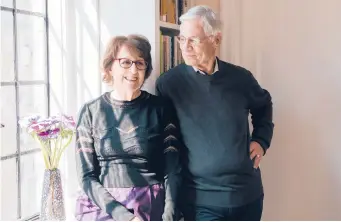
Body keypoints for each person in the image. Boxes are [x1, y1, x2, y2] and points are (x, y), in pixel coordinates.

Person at [156, 5, 274, 221]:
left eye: (193, 40)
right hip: (201, 201)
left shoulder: (241, 78)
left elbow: (263, 104)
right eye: (182, 39)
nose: (185, 47)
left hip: (248, 195)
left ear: (216, 40)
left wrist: (261, 140)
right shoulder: (169, 84)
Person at [75, 34, 181, 221]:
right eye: (125, 62)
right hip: (104, 206)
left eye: (140, 63)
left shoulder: (161, 109)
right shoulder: (90, 112)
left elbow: (172, 169)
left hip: (150, 202)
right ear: (110, 66)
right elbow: (86, 177)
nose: (133, 70)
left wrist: (169, 215)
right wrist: (125, 217)